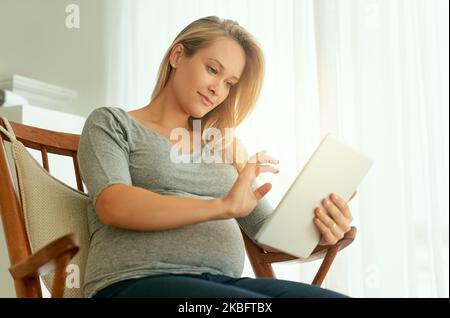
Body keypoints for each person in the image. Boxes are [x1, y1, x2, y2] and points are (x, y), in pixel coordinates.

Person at [78, 16, 355, 298]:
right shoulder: (112, 123)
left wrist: (320, 227)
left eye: (229, 83)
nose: (217, 89)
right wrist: (222, 206)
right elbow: (112, 204)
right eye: (212, 69)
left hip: (221, 284)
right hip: (135, 282)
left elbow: (268, 235)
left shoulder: (222, 146)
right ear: (178, 55)